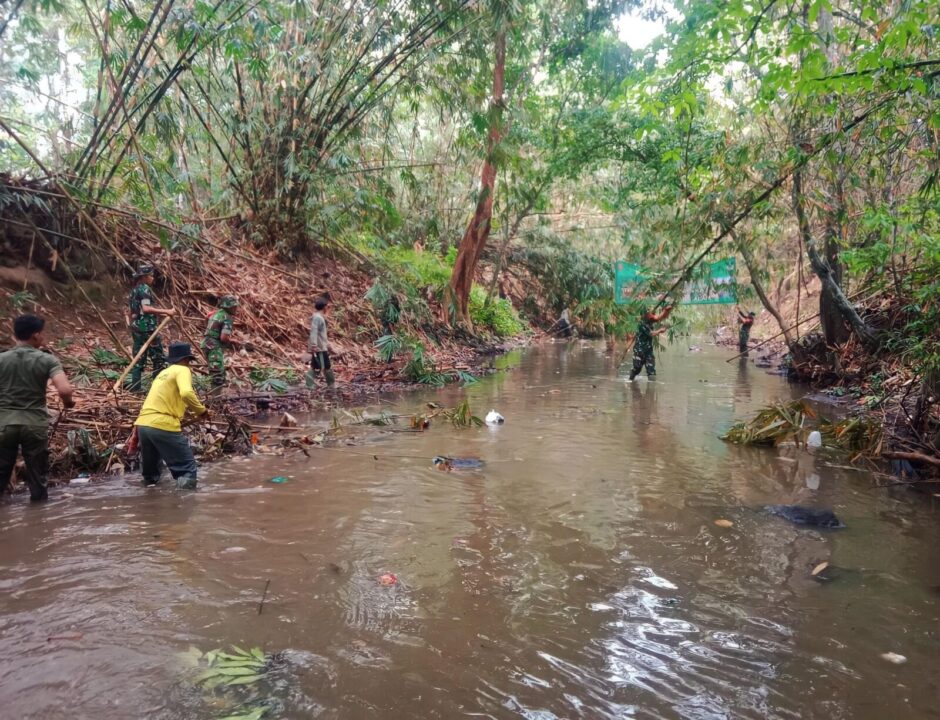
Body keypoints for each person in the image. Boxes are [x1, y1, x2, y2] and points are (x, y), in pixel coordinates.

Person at [0, 314, 75, 502]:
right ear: (35, 335)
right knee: (38, 478)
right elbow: (65, 389)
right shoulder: (47, 360)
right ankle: (39, 515)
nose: (43, 337)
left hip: (4, 425)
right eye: (42, 334)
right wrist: (68, 403)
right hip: (34, 425)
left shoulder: (2, 359)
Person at [133, 342, 208, 489]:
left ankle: (148, 504)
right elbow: (186, 393)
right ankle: (184, 507)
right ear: (187, 360)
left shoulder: (163, 373)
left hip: (143, 425)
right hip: (163, 424)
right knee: (186, 468)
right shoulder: (183, 370)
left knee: (151, 475)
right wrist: (201, 411)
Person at [127, 264, 176, 392]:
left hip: (137, 327)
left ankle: (135, 387)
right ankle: (158, 388)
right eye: (151, 275)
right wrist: (167, 311)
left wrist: (133, 324)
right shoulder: (144, 289)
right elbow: (146, 309)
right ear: (144, 277)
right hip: (147, 327)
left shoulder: (134, 290)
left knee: (138, 357)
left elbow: (131, 312)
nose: (153, 278)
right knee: (158, 357)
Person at [202, 295, 239, 391]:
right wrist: (233, 341)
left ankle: (213, 397)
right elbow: (223, 338)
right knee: (217, 374)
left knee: (215, 371)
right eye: (234, 307)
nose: (236, 308)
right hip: (214, 347)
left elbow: (206, 318)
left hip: (206, 344)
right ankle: (216, 401)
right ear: (229, 307)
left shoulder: (215, 313)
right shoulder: (227, 317)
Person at [629, 305, 673, 381]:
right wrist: (659, 331)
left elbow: (660, 317)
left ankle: (651, 390)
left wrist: (667, 310)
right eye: (648, 313)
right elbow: (651, 333)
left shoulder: (650, 320)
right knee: (636, 369)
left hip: (648, 351)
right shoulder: (641, 324)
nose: (650, 315)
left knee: (651, 372)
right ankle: (630, 381)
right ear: (644, 315)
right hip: (639, 350)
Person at [307, 296, 336, 388]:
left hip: (321, 346)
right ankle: (330, 385)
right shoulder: (318, 318)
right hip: (319, 347)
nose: (328, 309)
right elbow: (314, 331)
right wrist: (314, 345)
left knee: (317, 366)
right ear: (324, 307)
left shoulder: (318, 317)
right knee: (324, 366)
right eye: (327, 307)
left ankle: (310, 385)